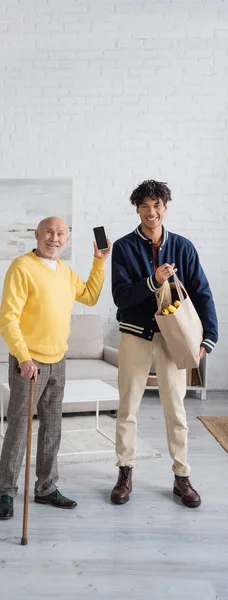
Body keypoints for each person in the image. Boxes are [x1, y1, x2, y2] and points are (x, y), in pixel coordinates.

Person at [111, 180, 218, 508]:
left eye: (157, 205)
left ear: (165, 207)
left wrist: (208, 337)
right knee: (128, 408)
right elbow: (121, 296)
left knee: (177, 409)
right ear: (137, 209)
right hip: (135, 335)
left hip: (174, 340)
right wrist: (152, 281)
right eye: (144, 206)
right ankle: (125, 472)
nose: (151, 212)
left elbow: (201, 292)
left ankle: (181, 476)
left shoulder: (184, 247)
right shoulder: (124, 247)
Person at [0, 216, 111, 519]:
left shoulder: (65, 272)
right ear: (36, 234)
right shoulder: (22, 267)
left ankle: (46, 488)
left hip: (58, 360)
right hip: (29, 362)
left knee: (52, 429)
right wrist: (22, 357)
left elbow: (89, 295)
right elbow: (7, 318)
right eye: (49, 231)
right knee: (19, 429)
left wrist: (99, 262)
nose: (55, 238)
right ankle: (7, 492)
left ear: (66, 239)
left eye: (61, 233)